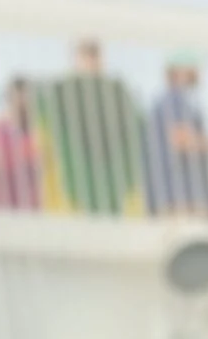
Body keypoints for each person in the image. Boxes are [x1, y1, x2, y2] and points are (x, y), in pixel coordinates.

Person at [39, 39, 146, 216]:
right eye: (86, 53)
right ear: (74, 56)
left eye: (94, 53)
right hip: (75, 183)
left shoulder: (117, 89)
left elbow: (137, 127)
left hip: (114, 182)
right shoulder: (60, 90)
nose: (91, 59)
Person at [144, 54, 208, 217]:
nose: (199, 72)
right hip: (182, 200)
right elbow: (181, 140)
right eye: (194, 67)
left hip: (176, 197)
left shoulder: (171, 101)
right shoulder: (174, 101)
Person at [0, 76, 45, 212]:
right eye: (20, 98)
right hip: (1, 209)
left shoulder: (39, 136)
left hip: (33, 211)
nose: (24, 104)